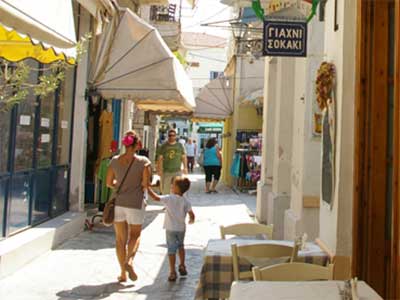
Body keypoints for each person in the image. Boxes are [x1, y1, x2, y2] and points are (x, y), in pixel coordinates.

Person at [106, 130, 151, 282]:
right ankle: (129, 261)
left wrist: (118, 186)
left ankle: (122, 273)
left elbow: (108, 182)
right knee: (135, 235)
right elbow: (145, 184)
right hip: (136, 203)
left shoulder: (114, 161)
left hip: (119, 203)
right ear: (137, 144)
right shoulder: (143, 162)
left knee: (120, 239)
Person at [147, 177, 195, 282]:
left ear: (177, 188)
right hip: (181, 228)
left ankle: (172, 272)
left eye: (173, 185)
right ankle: (182, 265)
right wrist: (191, 219)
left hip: (170, 229)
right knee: (181, 246)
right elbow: (192, 214)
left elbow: (155, 198)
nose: (171, 186)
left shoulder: (169, 198)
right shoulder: (185, 200)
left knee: (171, 250)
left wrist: (147, 187)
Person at [157, 129, 188, 194]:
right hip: (166, 171)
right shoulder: (163, 146)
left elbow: (183, 157)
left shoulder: (180, 146)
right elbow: (160, 158)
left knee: (178, 190)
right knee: (165, 190)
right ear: (168, 136)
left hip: (177, 170)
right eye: (170, 135)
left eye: (173, 135)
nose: (171, 137)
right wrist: (159, 169)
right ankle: (167, 203)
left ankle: (176, 203)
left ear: (175, 136)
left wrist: (185, 167)